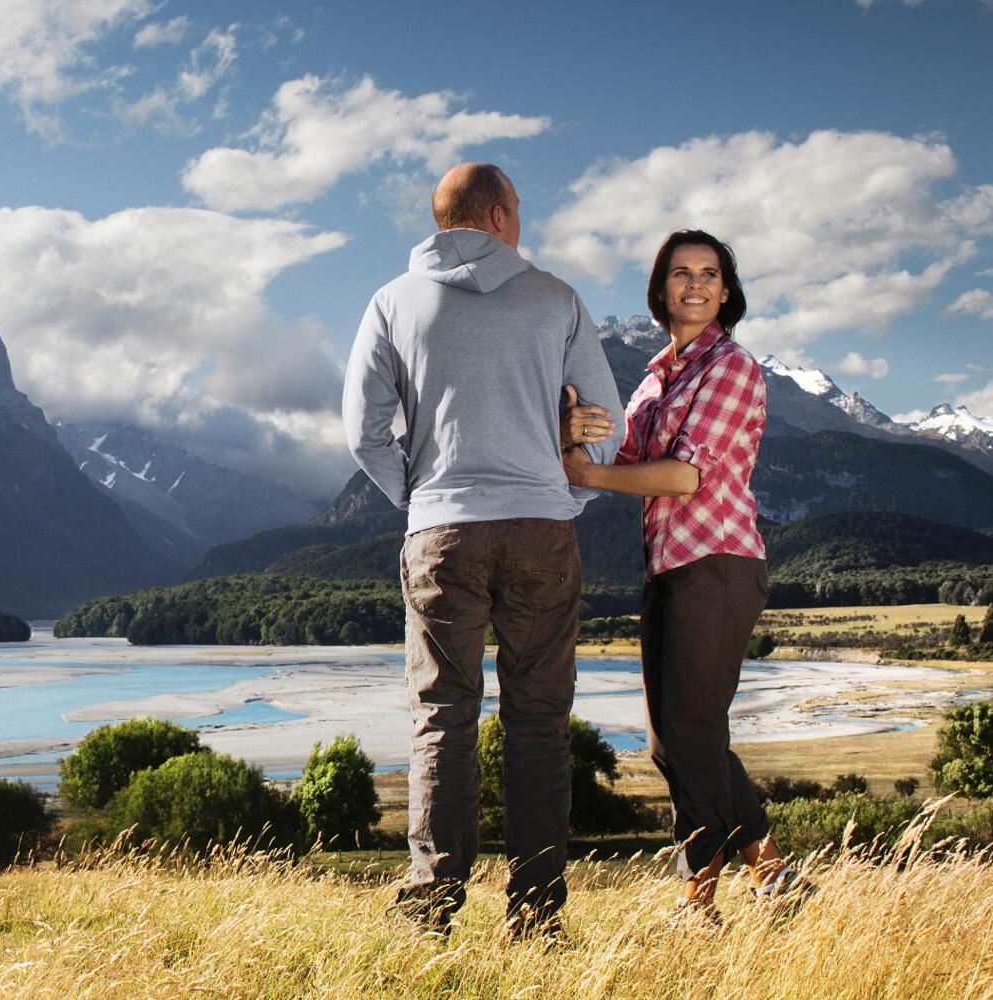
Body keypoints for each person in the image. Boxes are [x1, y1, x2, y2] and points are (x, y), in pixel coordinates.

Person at [342, 163, 623, 938]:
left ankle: (430, 908)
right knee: (538, 722)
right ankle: (536, 917)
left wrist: (422, 496)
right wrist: (570, 495)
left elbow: (363, 430)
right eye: (520, 210)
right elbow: (609, 425)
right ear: (499, 216)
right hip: (541, 529)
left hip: (442, 532)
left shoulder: (392, 302)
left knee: (442, 715)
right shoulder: (557, 300)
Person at [561, 229, 811, 924]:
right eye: (681, 273)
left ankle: (737, 884)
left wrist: (592, 472)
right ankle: (754, 881)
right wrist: (576, 429)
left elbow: (683, 475)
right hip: (670, 569)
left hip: (720, 563)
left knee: (691, 730)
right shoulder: (652, 379)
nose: (694, 285)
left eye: (708, 274)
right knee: (675, 738)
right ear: (661, 288)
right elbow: (629, 447)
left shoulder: (731, 367)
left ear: (726, 292)